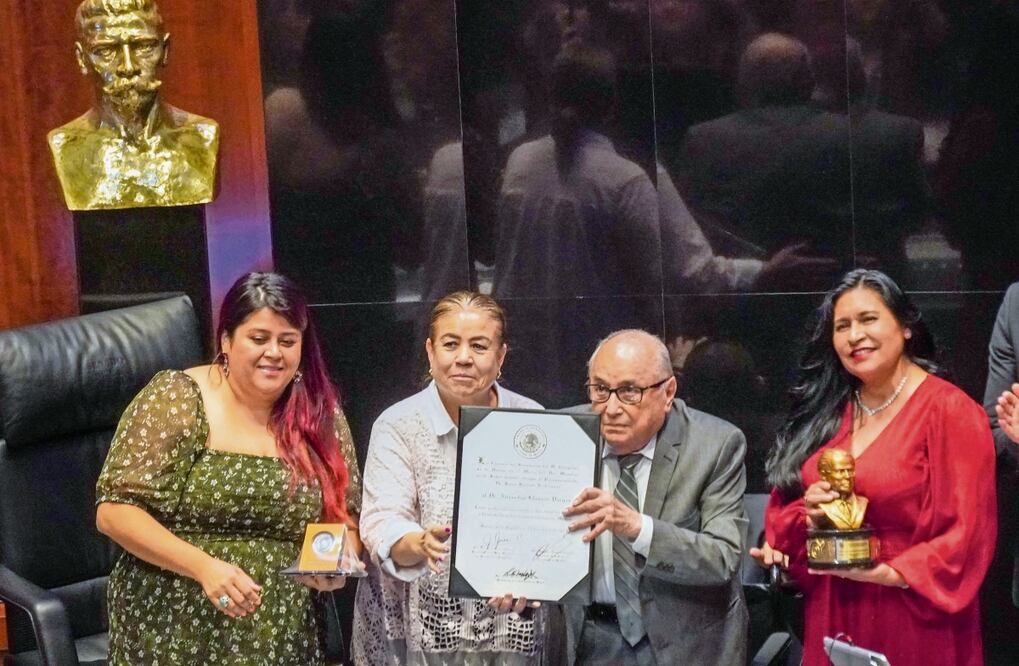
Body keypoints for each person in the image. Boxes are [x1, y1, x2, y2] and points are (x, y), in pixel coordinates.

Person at [95, 272, 362, 665]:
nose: (274, 352)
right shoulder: (178, 397)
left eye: (288, 341)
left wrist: (337, 564)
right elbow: (114, 512)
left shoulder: (318, 411)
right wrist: (203, 566)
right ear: (226, 341)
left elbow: (346, 515)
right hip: (175, 624)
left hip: (283, 633)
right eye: (259, 338)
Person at [754, 268, 997, 666]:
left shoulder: (949, 411)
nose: (854, 336)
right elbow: (788, 514)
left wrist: (886, 571)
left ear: (905, 327)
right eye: (842, 326)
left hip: (914, 613)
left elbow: (969, 533)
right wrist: (807, 517)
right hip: (833, 609)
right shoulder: (828, 411)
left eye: (868, 319)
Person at [353, 291, 551, 665]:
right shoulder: (398, 423)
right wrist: (418, 543)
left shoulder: (532, 419)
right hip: (418, 634)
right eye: (450, 344)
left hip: (510, 627)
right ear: (430, 352)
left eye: (479, 345)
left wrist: (538, 572)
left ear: (501, 356)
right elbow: (381, 522)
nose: (463, 357)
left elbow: (547, 524)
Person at [561, 329, 748, 666]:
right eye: (601, 390)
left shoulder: (715, 445)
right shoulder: (563, 434)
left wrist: (637, 527)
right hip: (591, 639)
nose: (612, 408)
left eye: (630, 391)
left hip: (686, 641)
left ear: (668, 391)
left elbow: (723, 557)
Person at [48, 0, 219, 210]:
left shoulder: (203, 138)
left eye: (144, 47)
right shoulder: (65, 146)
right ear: (82, 58)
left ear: (165, 51)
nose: (128, 67)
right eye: (106, 51)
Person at [814, 449, 868, 530]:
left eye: (850, 470)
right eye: (841, 471)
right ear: (824, 474)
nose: (847, 476)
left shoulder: (863, 502)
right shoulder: (822, 505)